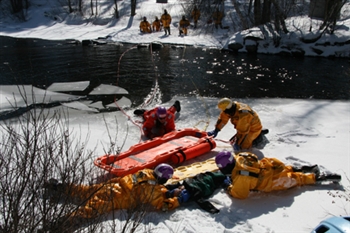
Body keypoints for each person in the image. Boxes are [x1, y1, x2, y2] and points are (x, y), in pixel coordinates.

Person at [43, 163, 190, 221]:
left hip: (110, 187)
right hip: (116, 198)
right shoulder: (153, 191)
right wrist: (177, 200)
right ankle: (59, 222)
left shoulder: (145, 173)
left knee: (83, 190)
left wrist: (167, 190)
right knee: (88, 211)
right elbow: (161, 205)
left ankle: (59, 186)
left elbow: (148, 187)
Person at [215, 151, 342, 199]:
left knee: (298, 180)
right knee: (287, 169)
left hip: (271, 181)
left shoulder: (242, 177)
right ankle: (303, 168)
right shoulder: (240, 157)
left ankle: (321, 178)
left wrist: (228, 187)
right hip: (270, 168)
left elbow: (240, 194)